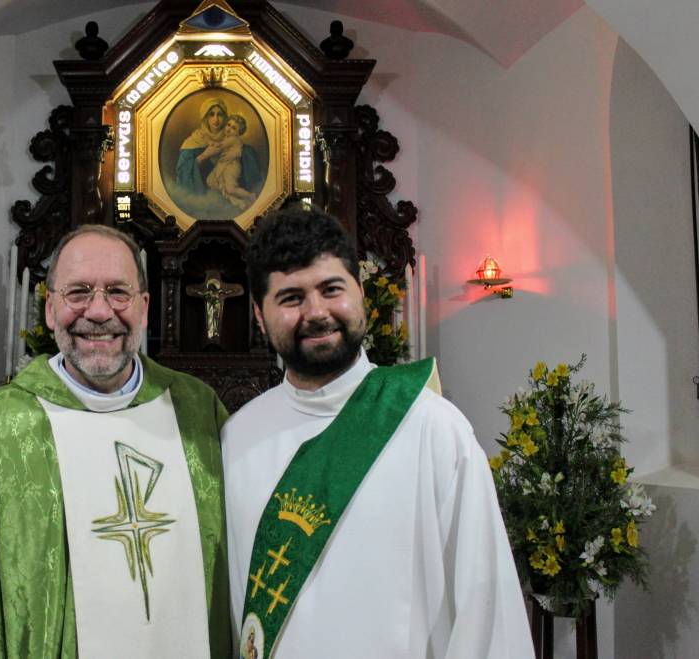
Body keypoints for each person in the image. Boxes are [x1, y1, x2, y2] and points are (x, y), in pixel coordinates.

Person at [0, 225, 232, 659]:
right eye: (78, 293)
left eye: (118, 292)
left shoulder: (196, 411)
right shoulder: (0, 427)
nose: (98, 312)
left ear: (144, 307)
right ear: (50, 309)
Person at [222, 205, 533, 658]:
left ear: (360, 294)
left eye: (332, 289)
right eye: (290, 298)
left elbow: (487, 613)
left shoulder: (434, 429)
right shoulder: (239, 437)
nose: (316, 312)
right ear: (259, 314)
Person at [175, 97, 261, 198]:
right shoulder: (195, 140)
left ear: (225, 117)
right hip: (203, 198)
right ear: (205, 117)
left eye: (220, 114)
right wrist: (204, 156)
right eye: (211, 114)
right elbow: (182, 172)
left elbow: (251, 174)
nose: (216, 120)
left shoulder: (232, 140)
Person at [206, 115, 258, 210]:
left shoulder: (234, 139)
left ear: (239, 132)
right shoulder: (227, 138)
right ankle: (239, 202)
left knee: (230, 189)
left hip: (231, 167)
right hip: (223, 166)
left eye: (234, 128)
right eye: (228, 125)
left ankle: (250, 196)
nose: (229, 129)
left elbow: (219, 146)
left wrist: (209, 142)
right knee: (212, 182)